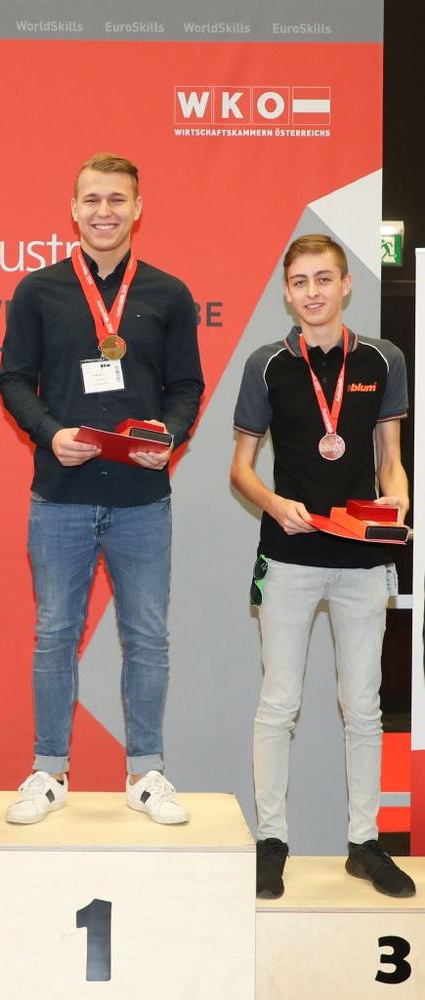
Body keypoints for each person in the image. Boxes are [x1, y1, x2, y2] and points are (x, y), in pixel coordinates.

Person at [0, 152, 203, 825]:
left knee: (146, 637)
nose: (104, 211)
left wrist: (168, 434)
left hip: (142, 501)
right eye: (92, 199)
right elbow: (12, 379)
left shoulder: (169, 294)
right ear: (73, 208)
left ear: (137, 208)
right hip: (59, 495)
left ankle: (145, 773)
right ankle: (48, 771)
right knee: (54, 634)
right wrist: (48, 433)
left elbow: (186, 386)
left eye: (117, 199)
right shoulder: (38, 291)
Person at [230, 233, 415, 899]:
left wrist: (398, 498)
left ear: (345, 285)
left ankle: (364, 844)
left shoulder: (383, 359)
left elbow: (390, 457)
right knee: (278, 703)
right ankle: (271, 841)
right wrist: (274, 504)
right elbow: (240, 469)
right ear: (287, 292)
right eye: (300, 281)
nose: (312, 292)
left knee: (362, 706)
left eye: (323, 279)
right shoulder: (266, 365)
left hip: (362, 558)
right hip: (288, 555)